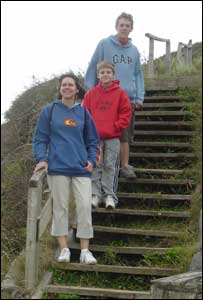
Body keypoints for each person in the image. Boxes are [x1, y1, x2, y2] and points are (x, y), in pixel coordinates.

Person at [33, 73, 99, 264]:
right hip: (57, 168)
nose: (67, 87)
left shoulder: (84, 112)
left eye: (71, 85)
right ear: (60, 88)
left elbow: (93, 141)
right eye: (64, 85)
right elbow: (40, 139)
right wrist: (42, 159)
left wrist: (91, 160)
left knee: (85, 207)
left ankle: (85, 251)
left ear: (77, 89)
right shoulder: (50, 111)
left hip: (81, 169)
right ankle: (64, 249)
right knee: (60, 208)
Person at [85, 12, 145, 178]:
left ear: (131, 28)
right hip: (104, 97)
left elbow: (138, 74)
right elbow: (92, 67)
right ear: (116, 27)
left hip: (127, 99)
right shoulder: (104, 44)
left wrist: (139, 97)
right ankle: (101, 165)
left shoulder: (134, 51)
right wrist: (90, 90)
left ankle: (124, 166)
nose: (124, 28)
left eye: (127, 25)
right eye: (121, 25)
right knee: (101, 132)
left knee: (124, 135)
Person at [83, 61, 131, 209]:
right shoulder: (91, 93)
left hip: (113, 137)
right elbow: (85, 113)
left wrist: (116, 126)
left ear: (113, 75)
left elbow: (126, 113)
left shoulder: (120, 93)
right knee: (97, 165)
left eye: (108, 72)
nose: (105, 75)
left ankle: (110, 196)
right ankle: (95, 195)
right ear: (98, 75)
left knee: (110, 166)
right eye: (102, 72)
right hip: (95, 139)